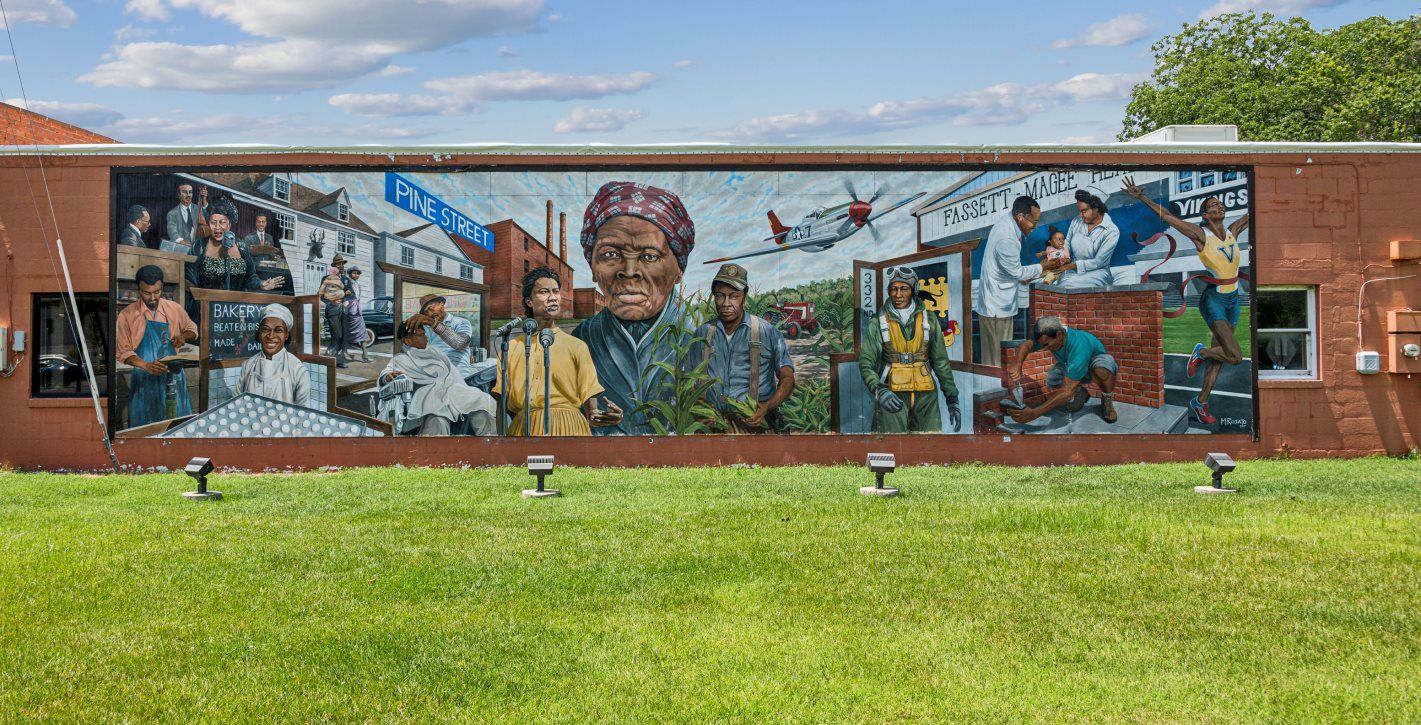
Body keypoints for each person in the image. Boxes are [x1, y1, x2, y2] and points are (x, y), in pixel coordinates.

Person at [572, 180, 697, 436]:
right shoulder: (580, 340)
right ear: (593, 268)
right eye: (609, 255)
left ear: (679, 270)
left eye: (649, 257)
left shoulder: (703, 336)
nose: (629, 272)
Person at [1123, 175, 1249, 425]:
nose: (1219, 207)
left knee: (1219, 359)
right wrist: (1143, 198)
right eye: (1213, 205)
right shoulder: (1200, 234)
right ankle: (1201, 352)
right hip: (1214, 299)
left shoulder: (1233, 231)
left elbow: (1252, 214)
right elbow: (1169, 218)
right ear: (1205, 215)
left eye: (1221, 204)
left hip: (1234, 298)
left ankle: (1200, 402)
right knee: (1233, 356)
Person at [494, 267, 619, 436]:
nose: (553, 298)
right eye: (544, 292)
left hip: (571, 430)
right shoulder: (510, 348)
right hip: (524, 431)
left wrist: (607, 417)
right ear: (529, 301)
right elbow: (501, 408)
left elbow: (592, 414)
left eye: (556, 292)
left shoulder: (577, 346)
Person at [858, 267, 961, 433]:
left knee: (929, 444)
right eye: (893, 289)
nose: (897, 294)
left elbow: (940, 361)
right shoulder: (877, 323)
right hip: (892, 395)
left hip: (926, 397)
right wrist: (880, 391)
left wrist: (952, 399)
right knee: (890, 443)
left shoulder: (930, 319)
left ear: (913, 291)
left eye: (904, 288)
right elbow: (866, 362)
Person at [694, 263, 795, 433]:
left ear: (744, 296)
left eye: (733, 296)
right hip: (712, 428)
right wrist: (699, 407)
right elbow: (688, 382)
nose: (726, 303)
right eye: (720, 296)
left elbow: (787, 379)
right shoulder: (702, 334)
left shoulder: (768, 332)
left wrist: (767, 406)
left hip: (755, 427)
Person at [975, 195, 1058, 367]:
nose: (1035, 227)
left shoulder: (1007, 222)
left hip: (992, 303)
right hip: (998, 307)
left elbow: (1012, 271)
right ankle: (998, 387)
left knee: (991, 355)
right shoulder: (1006, 238)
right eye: (1033, 222)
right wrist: (1043, 267)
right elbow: (1017, 272)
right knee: (999, 355)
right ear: (1020, 217)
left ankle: (994, 384)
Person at [380, 317, 497, 436]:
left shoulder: (434, 351)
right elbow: (386, 374)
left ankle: (490, 443)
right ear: (408, 341)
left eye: (425, 334)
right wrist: (388, 377)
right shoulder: (401, 359)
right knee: (438, 420)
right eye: (421, 335)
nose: (426, 338)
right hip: (428, 396)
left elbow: (451, 371)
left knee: (481, 403)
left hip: (453, 390)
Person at [116, 265, 197, 428]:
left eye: (157, 292)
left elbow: (193, 330)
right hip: (145, 380)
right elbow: (123, 352)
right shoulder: (126, 315)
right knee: (147, 426)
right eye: (147, 293)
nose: (152, 298)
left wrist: (183, 336)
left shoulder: (174, 309)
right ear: (138, 289)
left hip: (173, 377)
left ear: (162, 288)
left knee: (176, 425)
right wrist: (145, 365)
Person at [185, 197, 286, 320]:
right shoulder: (199, 246)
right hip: (205, 312)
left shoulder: (242, 247)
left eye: (222, 222)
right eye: (213, 222)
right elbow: (188, 277)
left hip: (234, 312)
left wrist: (261, 284)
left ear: (229, 224)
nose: (217, 227)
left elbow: (250, 276)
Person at [1005, 316, 1118, 425]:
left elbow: (1067, 390)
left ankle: (1107, 400)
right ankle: (1081, 393)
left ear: (1060, 334)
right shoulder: (1049, 334)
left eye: (1047, 345)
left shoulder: (1079, 346)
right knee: (1053, 378)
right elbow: (1027, 345)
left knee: (1102, 370)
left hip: (1093, 364)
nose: (1045, 348)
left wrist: (1034, 413)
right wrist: (1018, 363)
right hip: (1074, 364)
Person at [239, 303, 310, 407]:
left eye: (278, 330)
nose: (271, 336)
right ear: (259, 333)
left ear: (286, 335)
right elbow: (237, 403)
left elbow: (302, 413)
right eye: (265, 330)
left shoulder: (298, 370)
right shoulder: (247, 366)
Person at [1055, 189, 1121, 289]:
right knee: (1062, 286)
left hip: (1097, 273)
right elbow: (1067, 243)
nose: (1081, 215)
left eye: (1084, 211)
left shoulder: (1112, 231)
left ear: (1096, 209)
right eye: (1079, 211)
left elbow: (1099, 262)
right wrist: (1064, 257)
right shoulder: (1076, 221)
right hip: (1072, 271)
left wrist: (1073, 266)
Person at [418, 293, 475, 379]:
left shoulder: (461, 322)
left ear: (442, 304)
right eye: (426, 312)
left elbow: (461, 343)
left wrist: (434, 324)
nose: (429, 313)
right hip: (433, 376)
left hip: (458, 376)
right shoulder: (425, 328)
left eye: (431, 308)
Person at [319, 254, 353, 368]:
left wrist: (345, 300)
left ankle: (339, 361)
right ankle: (329, 358)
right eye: (338, 264)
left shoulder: (346, 279)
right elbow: (321, 296)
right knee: (336, 335)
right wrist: (332, 301)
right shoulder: (326, 279)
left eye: (342, 263)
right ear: (334, 266)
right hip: (333, 310)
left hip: (345, 311)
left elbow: (351, 294)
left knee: (343, 337)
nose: (341, 266)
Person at [165, 183, 204, 249]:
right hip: (180, 249)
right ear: (179, 195)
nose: (188, 195)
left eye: (190, 192)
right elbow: (172, 231)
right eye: (185, 192)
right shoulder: (172, 213)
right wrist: (182, 242)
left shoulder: (199, 209)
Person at [346, 266, 371, 363]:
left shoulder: (357, 284)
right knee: (349, 334)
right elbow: (342, 294)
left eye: (358, 273)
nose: (356, 275)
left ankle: (365, 355)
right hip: (350, 311)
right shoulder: (347, 283)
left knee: (363, 333)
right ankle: (344, 353)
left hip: (357, 311)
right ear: (350, 274)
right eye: (354, 273)